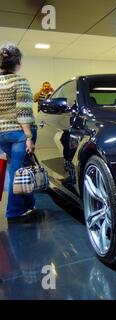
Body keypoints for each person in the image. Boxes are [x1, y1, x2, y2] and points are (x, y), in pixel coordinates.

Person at [0, 43, 37, 219]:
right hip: (18, 135)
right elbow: (24, 112)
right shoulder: (21, 81)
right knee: (17, 171)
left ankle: (29, 204)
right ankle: (14, 211)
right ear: (18, 62)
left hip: (1, 135)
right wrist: (29, 137)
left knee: (20, 168)